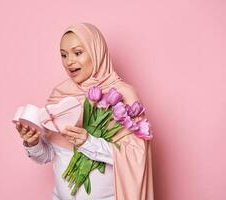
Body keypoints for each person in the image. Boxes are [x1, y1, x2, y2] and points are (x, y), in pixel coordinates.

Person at [15, 22, 154, 200]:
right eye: (63, 55)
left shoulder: (122, 94)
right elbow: (49, 155)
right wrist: (33, 143)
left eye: (78, 53)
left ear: (96, 52)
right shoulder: (60, 95)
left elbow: (135, 156)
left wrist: (88, 142)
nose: (69, 61)